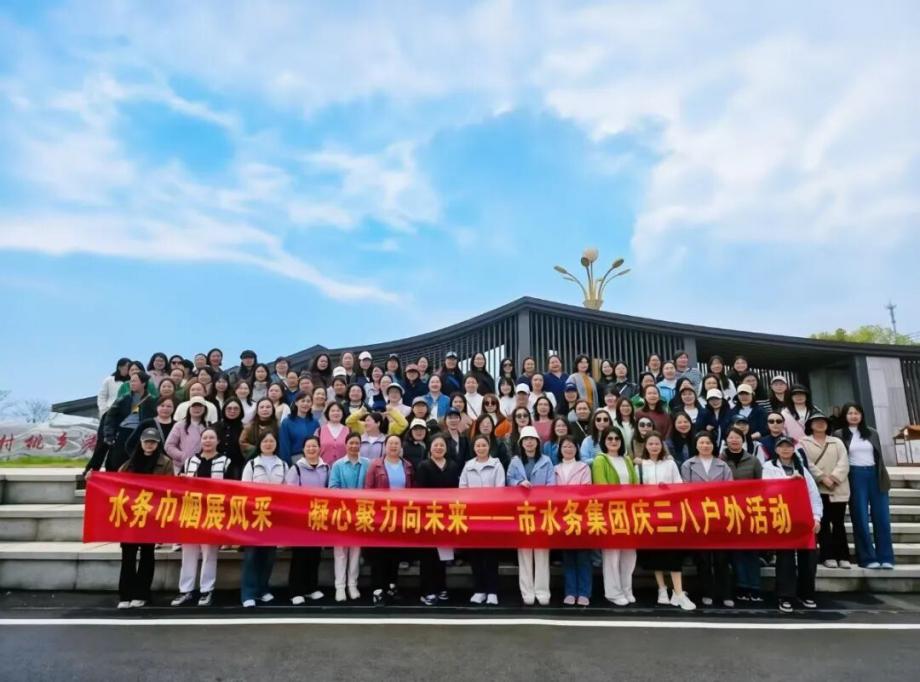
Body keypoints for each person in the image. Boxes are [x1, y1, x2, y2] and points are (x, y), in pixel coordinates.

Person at [762, 436, 823, 612]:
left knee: (809, 558)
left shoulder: (802, 469)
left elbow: (814, 495)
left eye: (788, 446)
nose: (785, 450)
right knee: (785, 558)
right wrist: (790, 481)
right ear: (776, 450)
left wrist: (816, 518)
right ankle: (785, 595)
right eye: (782, 447)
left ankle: (806, 593)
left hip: (804, 519)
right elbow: (768, 490)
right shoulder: (769, 467)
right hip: (782, 517)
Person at [636, 431, 695, 610]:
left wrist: (667, 489)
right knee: (655, 554)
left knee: (673, 554)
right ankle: (662, 589)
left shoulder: (670, 464)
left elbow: (679, 486)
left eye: (657, 443)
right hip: (650, 515)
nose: (654, 446)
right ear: (645, 446)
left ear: (662, 445)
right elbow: (635, 490)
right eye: (650, 443)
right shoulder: (640, 465)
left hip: (669, 514)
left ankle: (679, 592)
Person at [115, 427, 174, 608]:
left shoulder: (165, 463)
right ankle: (125, 594)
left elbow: (169, 487)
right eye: (147, 442)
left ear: (158, 444)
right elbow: (115, 484)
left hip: (151, 515)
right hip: (131, 516)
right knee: (128, 555)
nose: (149, 445)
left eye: (153, 442)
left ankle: (142, 593)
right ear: (141, 443)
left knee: (147, 554)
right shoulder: (129, 463)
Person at [171, 427, 228, 608]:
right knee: (188, 553)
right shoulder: (190, 461)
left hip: (213, 512)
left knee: (209, 553)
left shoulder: (226, 462)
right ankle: (185, 590)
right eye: (205, 438)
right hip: (192, 512)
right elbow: (179, 485)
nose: (208, 441)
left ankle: (206, 590)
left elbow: (231, 489)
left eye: (212, 438)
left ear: (218, 441)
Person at [835, 402, 893, 569]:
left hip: (875, 475)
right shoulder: (839, 434)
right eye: (850, 413)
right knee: (860, 517)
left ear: (861, 415)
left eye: (857, 413)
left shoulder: (872, 432)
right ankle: (867, 558)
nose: (854, 416)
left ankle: (886, 557)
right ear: (845, 416)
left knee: (882, 518)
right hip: (855, 475)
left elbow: (879, 456)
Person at [681, 432, 734, 607]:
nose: (705, 445)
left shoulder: (722, 465)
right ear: (696, 445)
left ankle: (726, 594)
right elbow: (685, 491)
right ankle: (707, 592)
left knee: (721, 558)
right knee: (703, 559)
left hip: (719, 515)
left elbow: (731, 490)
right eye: (701, 442)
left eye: (708, 442)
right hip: (698, 516)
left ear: (713, 445)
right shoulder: (688, 465)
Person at [507, 425, 554, 606]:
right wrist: (518, 482)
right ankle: (527, 592)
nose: (529, 443)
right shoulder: (515, 461)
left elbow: (552, 484)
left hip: (542, 513)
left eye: (532, 440)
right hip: (522, 513)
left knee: (542, 553)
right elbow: (508, 480)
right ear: (521, 443)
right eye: (525, 440)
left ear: (537, 442)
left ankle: (542, 591)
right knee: (524, 553)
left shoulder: (546, 461)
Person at [240, 431, 288, 607]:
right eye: (265, 441)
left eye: (271, 441)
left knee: (269, 555)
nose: (268, 444)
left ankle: (263, 589)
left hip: (273, 515)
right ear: (259, 444)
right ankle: (248, 593)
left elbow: (287, 490)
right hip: (255, 515)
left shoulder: (283, 465)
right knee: (252, 555)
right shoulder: (252, 464)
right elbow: (244, 489)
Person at [365, 434, 414, 606]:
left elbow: (412, 490)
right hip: (380, 516)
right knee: (379, 555)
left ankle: (392, 586)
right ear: (385, 446)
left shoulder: (407, 466)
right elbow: (368, 489)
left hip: (399, 516)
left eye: (396, 443)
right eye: (390, 443)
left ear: (401, 447)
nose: (393, 446)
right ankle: (378, 589)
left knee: (395, 553)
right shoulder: (375, 465)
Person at [591, 425, 638, 605]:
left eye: (617, 439)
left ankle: (627, 589)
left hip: (629, 513)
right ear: (604, 441)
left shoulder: (627, 460)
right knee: (612, 555)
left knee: (629, 554)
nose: (613, 441)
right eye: (609, 438)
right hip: (610, 513)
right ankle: (613, 592)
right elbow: (602, 488)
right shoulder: (600, 460)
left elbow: (635, 485)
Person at [800, 413, 851, 569]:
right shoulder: (803, 442)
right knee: (823, 523)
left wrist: (834, 478)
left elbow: (844, 462)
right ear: (810, 425)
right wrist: (822, 478)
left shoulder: (836, 442)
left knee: (838, 523)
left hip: (838, 488)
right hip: (818, 489)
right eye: (816, 422)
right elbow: (806, 463)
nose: (820, 424)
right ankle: (827, 556)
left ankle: (843, 556)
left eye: (823, 422)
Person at [460, 435, 506, 605]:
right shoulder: (468, 466)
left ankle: (492, 591)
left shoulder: (497, 465)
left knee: (491, 555)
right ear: (474, 448)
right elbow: (462, 488)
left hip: (491, 516)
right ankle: (479, 590)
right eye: (478, 445)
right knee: (475, 555)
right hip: (472, 516)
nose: (481, 448)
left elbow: (500, 488)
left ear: (489, 447)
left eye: (484, 445)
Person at [416, 434, 461, 605]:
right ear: (430, 447)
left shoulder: (453, 466)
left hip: (447, 517)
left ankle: (442, 587)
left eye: (442, 445)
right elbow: (420, 493)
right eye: (435, 445)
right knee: (428, 556)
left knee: (443, 555)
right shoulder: (423, 466)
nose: (439, 448)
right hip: (428, 516)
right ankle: (427, 590)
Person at [720, 427, 764, 602]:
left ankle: (755, 587)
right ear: (726, 440)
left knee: (751, 550)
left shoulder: (753, 460)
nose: (734, 440)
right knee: (736, 551)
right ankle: (742, 586)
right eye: (731, 437)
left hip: (750, 510)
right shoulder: (720, 461)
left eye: (737, 437)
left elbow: (761, 484)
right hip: (729, 511)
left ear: (743, 440)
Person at [285, 436, 329, 604]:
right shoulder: (296, 468)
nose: (311, 449)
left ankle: (311, 588)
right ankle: (295, 591)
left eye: (314, 446)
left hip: (318, 517)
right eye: (308, 446)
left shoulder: (325, 468)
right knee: (300, 556)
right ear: (303, 449)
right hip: (301, 518)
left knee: (314, 554)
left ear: (319, 448)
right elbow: (290, 494)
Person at [328, 433, 368, 601]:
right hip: (342, 513)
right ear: (345, 445)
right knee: (340, 551)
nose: (354, 446)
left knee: (356, 551)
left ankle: (352, 584)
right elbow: (333, 487)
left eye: (357, 443)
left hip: (361, 513)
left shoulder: (367, 463)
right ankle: (340, 586)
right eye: (351, 443)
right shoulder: (337, 465)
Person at [553, 436, 593, 606]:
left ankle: (584, 592)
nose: (568, 449)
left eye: (571, 446)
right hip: (562, 517)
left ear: (577, 449)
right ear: (560, 450)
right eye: (565, 447)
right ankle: (570, 591)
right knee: (568, 557)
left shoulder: (583, 467)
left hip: (580, 516)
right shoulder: (555, 468)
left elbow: (586, 490)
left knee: (583, 557)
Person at [92, 371, 157, 474]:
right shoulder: (124, 398)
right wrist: (109, 435)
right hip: (123, 433)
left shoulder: (151, 401)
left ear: (143, 383)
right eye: (131, 381)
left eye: (134, 381)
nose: (131, 383)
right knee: (115, 463)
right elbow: (110, 417)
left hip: (140, 434)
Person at [278, 392, 320, 464]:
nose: (305, 404)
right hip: (295, 459)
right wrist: (286, 463)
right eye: (302, 401)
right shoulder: (287, 422)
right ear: (296, 403)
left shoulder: (315, 422)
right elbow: (284, 446)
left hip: (313, 458)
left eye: (308, 401)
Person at [215, 398, 245, 479]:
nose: (232, 411)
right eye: (229, 408)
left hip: (236, 467)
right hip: (216, 466)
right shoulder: (215, 427)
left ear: (241, 411)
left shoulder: (245, 428)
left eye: (236, 409)